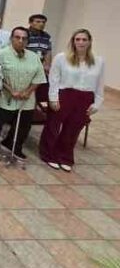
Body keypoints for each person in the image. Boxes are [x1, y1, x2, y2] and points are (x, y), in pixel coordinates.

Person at [40, 29, 104, 172]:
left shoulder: (99, 61)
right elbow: (54, 79)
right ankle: (48, 154)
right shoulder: (61, 58)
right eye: (77, 39)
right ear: (73, 41)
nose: (81, 42)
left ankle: (65, 156)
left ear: (90, 42)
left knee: (73, 129)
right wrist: (53, 98)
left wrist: (97, 103)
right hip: (64, 94)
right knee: (53, 126)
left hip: (86, 97)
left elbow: (100, 83)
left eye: (84, 39)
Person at [0, 26, 46, 161]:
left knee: (24, 125)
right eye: (17, 37)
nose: (21, 41)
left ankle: (13, 145)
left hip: (27, 97)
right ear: (11, 38)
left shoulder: (34, 56)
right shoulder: (0, 54)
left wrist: (28, 91)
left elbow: (39, 76)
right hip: (5, 95)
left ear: (28, 41)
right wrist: (11, 90)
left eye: (24, 38)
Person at [27, 14, 53, 106]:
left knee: (39, 91)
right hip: (27, 66)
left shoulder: (46, 36)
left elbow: (48, 51)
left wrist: (47, 65)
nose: (41, 24)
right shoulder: (25, 35)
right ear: (30, 23)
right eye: (38, 22)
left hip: (39, 66)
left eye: (43, 22)